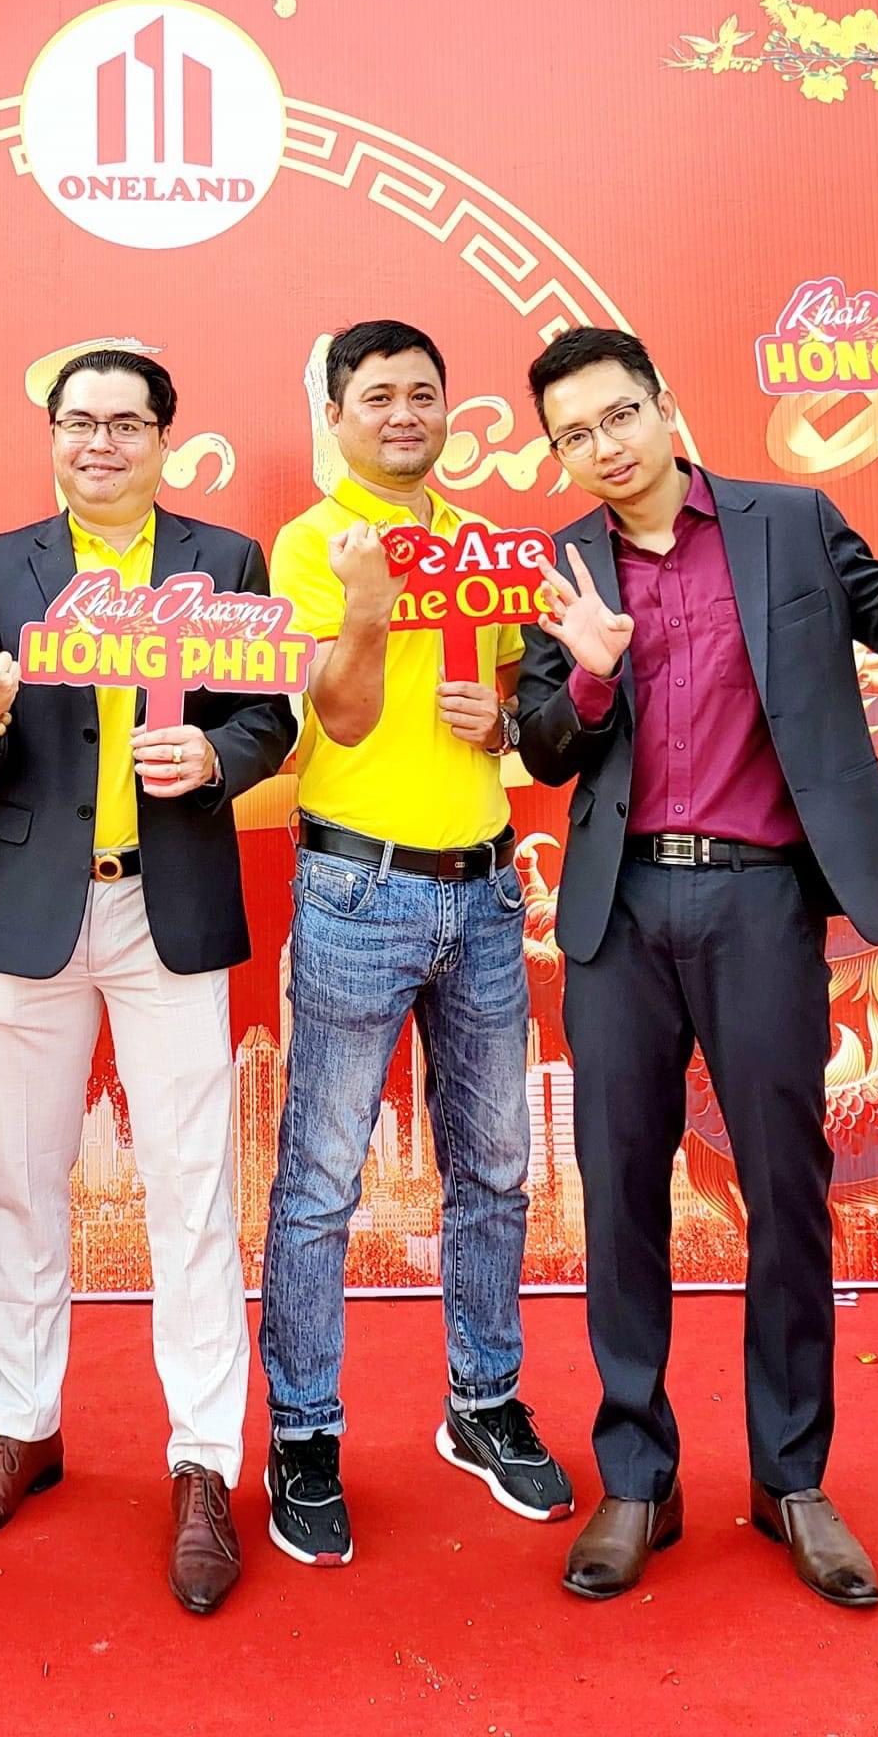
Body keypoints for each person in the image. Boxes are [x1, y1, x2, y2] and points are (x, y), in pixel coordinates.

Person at [515, 326, 878, 1607]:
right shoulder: (561, 565)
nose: (603, 447)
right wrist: (588, 677)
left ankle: (791, 1477)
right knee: (620, 1192)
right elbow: (542, 744)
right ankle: (635, 1479)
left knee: (784, 1186)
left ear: (664, 405)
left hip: (760, 898)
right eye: (573, 434)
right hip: (619, 910)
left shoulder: (788, 522)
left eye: (618, 415)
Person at [0, 347, 294, 1616]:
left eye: (125, 422)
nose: (100, 442)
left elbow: (267, 714)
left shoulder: (224, 558)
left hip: (165, 901)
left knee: (192, 1189)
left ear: (164, 438)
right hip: (29, 905)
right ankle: (20, 1427)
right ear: (51, 435)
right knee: (23, 1182)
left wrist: (218, 753)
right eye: (78, 421)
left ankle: (203, 1461)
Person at [258, 318, 573, 1571]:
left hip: (486, 888)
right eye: (377, 394)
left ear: (449, 410)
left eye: (422, 393)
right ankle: (303, 1431)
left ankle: (483, 1401)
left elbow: (523, 710)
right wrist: (368, 609)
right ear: (336, 414)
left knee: (495, 1166)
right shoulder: (310, 543)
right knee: (321, 1177)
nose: (403, 412)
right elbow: (332, 719)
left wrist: (503, 717)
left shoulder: (488, 547)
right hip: (356, 886)